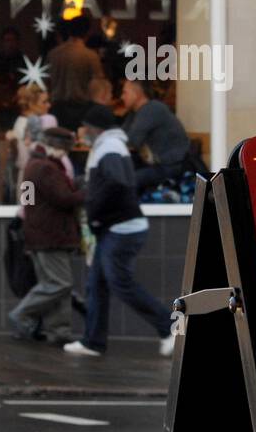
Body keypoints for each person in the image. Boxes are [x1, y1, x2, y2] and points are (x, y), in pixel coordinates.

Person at [64, 103, 175, 359]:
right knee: (97, 285)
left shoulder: (109, 148)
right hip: (113, 227)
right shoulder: (107, 147)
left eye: (84, 126)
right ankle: (93, 342)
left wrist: (95, 206)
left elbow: (117, 183)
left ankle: (169, 326)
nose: (81, 130)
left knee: (120, 283)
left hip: (121, 228)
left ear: (94, 128)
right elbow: (111, 182)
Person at [8, 127, 83, 345]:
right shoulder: (48, 168)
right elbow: (64, 199)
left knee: (53, 283)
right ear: (56, 147)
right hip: (52, 235)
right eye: (64, 149)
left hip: (36, 233)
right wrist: (86, 191)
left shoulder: (31, 166)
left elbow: (28, 201)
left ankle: (59, 331)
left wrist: (33, 222)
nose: (65, 154)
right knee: (60, 283)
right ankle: (22, 313)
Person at [121, 79, 191, 191]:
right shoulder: (134, 113)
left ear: (137, 94)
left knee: (127, 180)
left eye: (125, 92)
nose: (122, 97)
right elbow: (121, 137)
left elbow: (132, 141)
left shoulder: (152, 109)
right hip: (156, 164)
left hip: (171, 166)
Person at [48, 14, 104, 130]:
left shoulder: (53, 54)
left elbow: (46, 81)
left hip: (56, 108)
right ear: (87, 33)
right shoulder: (91, 56)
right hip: (82, 111)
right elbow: (99, 86)